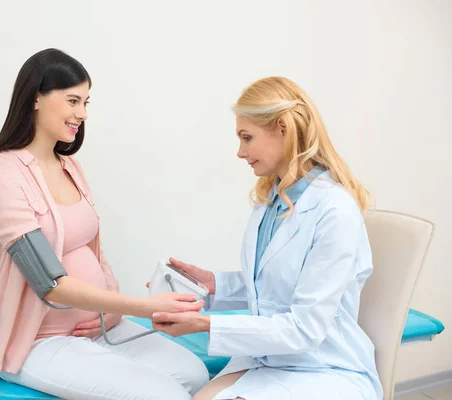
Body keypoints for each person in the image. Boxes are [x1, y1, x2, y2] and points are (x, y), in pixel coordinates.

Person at [0, 48, 209, 400]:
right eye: (72, 100)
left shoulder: (70, 166)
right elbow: (48, 282)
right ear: (36, 98)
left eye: (86, 102)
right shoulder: (1, 173)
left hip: (98, 326)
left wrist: (109, 309)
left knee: (195, 374)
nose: (81, 114)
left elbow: (94, 252)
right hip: (40, 341)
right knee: (163, 394)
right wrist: (142, 306)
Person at [150, 77, 383, 400]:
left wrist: (206, 325)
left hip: (324, 367)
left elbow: (305, 328)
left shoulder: (335, 210)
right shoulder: (272, 199)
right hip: (267, 357)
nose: (240, 152)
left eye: (247, 138)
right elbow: (272, 286)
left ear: (282, 130)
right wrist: (212, 284)